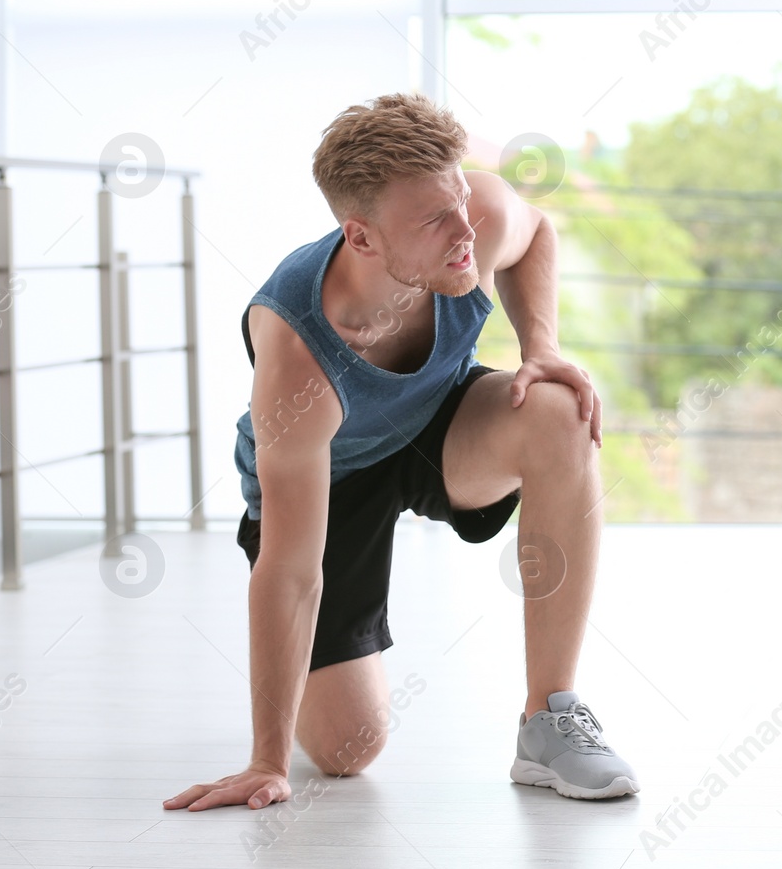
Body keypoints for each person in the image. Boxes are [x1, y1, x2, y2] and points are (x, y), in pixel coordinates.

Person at [164, 92, 638, 811]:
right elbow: (289, 570)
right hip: (336, 475)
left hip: (437, 424)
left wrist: (540, 347)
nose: (464, 230)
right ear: (362, 239)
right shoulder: (298, 359)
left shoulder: (469, 216)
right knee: (348, 750)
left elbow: (536, 229)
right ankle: (295, 719)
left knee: (556, 409)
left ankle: (549, 718)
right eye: (434, 219)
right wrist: (265, 760)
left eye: (458, 199)